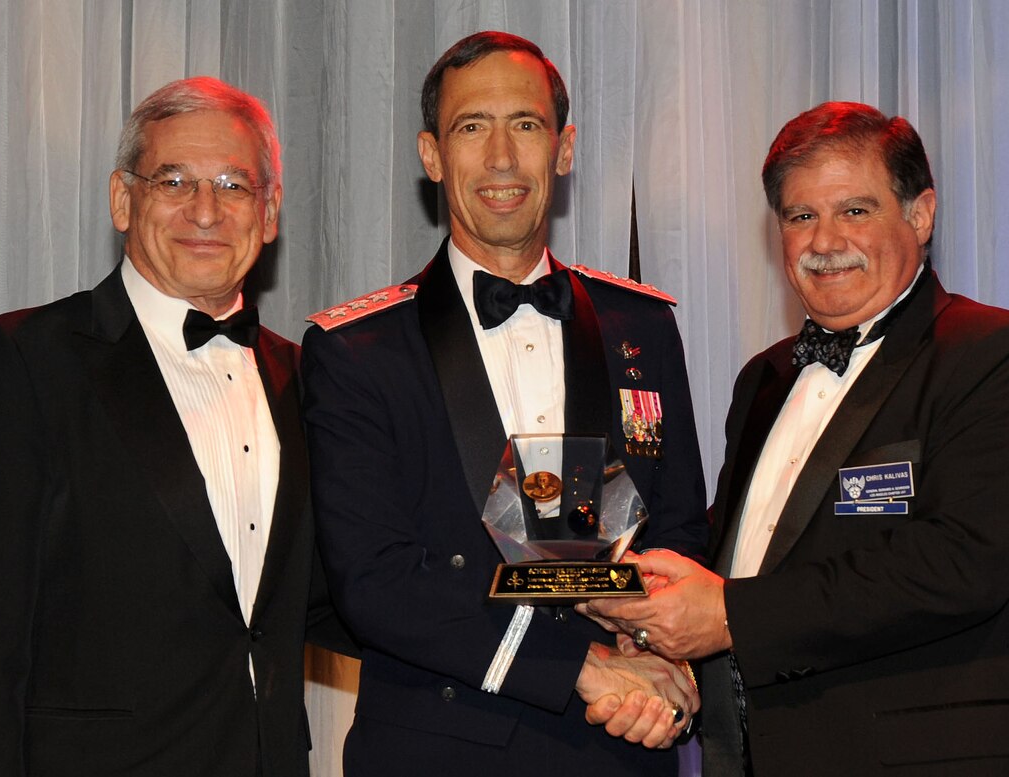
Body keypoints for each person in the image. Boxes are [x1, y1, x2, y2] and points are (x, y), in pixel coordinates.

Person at [583, 101, 1009, 776]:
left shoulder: (1002, 357)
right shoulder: (766, 377)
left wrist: (727, 613)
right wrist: (636, 604)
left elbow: (959, 565)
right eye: (801, 216)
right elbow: (739, 556)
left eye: (855, 211)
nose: (825, 240)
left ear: (921, 214)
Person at [303, 31, 707, 777]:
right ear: (431, 155)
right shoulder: (357, 350)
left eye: (525, 125)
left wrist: (651, 658)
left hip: (619, 742)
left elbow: (677, 529)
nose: (500, 159)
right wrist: (582, 667)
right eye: (470, 127)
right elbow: (376, 581)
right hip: (443, 748)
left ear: (564, 147)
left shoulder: (640, 324)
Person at [0, 76, 354, 776]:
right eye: (173, 180)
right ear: (124, 199)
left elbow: (345, 590)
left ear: (269, 214)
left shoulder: (310, 377)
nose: (205, 210)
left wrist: (546, 612)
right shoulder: (25, 359)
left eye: (235, 186)